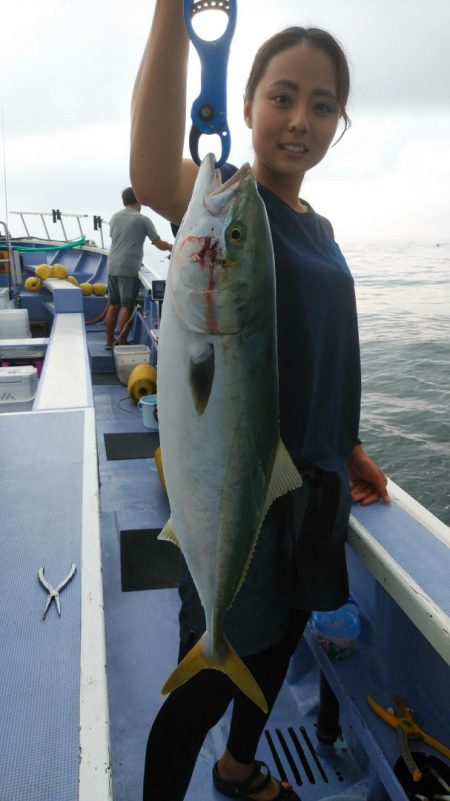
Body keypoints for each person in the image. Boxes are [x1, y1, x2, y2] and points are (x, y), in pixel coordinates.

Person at [130, 5, 391, 801]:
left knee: (278, 643)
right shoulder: (225, 207)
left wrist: (346, 446)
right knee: (207, 674)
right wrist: (174, 17)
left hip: (309, 482)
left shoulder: (323, 227)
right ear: (243, 107)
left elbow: (322, 350)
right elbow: (150, 172)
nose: (299, 119)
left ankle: (238, 767)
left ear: (337, 122)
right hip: (236, 481)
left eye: (321, 105)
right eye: (282, 96)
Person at [105, 187, 172, 348]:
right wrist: (172, 247)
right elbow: (158, 244)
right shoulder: (142, 219)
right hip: (128, 268)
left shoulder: (114, 217)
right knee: (127, 306)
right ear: (139, 201)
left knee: (114, 305)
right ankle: (122, 342)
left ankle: (109, 342)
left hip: (112, 265)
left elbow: (119, 240)